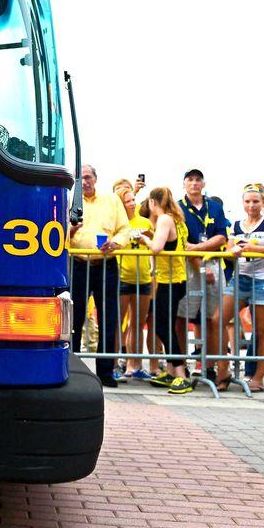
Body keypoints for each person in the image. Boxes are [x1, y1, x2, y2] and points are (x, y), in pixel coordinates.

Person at [68, 164, 129, 386]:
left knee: (108, 318)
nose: (84, 182)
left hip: (106, 265)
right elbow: (56, 232)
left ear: (96, 178)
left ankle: (105, 372)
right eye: (80, 178)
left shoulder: (112, 201)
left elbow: (124, 229)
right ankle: (71, 369)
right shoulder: (69, 201)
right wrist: (71, 230)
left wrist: (116, 243)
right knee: (74, 318)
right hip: (78, 264)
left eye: (87, 177)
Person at [222, 184, 264, 392]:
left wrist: (254, 248)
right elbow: (228, 249)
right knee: (216, 320)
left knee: (262, 330)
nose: (251, 205)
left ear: (263, 202)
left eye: (256, 201)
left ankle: (258, 378)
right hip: (240, 278)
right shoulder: (236, 224)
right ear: (242, 202)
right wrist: (233, 251)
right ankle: (223, 371)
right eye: (247, 201)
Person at [136, 187, 193, 394]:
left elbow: (157, 248)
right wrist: (152, 235)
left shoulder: (164, 219)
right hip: (176, 279)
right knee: (165, 325)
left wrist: (144, 239)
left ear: (153, 202)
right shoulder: (177, 219)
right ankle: (170, 371)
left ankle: (181, 374)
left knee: (162, 327)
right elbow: (171, 243)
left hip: (170, 280)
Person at [176, 168, 228, 382]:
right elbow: (182, 242)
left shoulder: (214, 206)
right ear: (184, 183)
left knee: (213, 317)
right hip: (188, 266)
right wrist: (198, 263)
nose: (194, 183)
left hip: (213, 263)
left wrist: (198, 247)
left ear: (203, 184)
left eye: (198, 179)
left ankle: (210, 365)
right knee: (182, 316)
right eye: (190, 179)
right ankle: (180, 364)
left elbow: (221, 237)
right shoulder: (178, 207)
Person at [116, 187, 155, 380]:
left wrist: (147, 237)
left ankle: (136, 365)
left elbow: (154, 242)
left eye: (133, 200)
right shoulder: (118, 222)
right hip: (123, 277)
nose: (133, 203)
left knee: (138, 324)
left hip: (143, 278)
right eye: (128, 201)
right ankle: (114, 364)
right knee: (118, 323)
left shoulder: (145, 222)